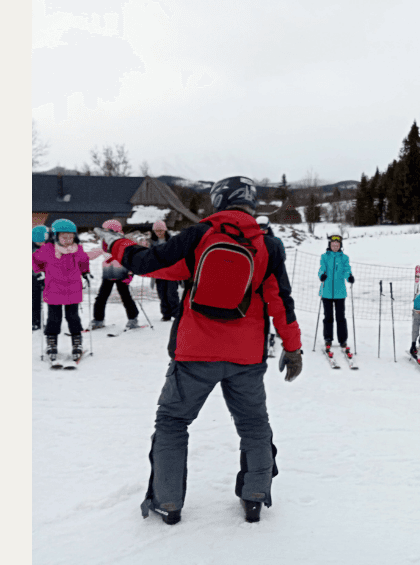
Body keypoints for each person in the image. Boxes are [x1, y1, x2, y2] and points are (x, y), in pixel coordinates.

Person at [97, 175, 303, 525]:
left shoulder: (199, 236)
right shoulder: (269, 246)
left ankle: (168, 501)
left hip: (194, 352)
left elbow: (148, 263)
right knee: (254, 426)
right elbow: (279, 300)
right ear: (251, 204)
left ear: (219, 201)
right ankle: (255, 495)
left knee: (173, 422)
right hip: (246, 355)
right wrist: (293, 348)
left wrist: (116, 244)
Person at [32, 219, 90, 364]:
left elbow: (84, 262)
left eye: (71, 237)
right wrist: (39, 273)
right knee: (53, 319)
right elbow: (33, 259)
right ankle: (52, 343)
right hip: (53, 291)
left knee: (73, 318)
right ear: (55, 236)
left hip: (73, 291)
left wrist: (85, 273)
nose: (68, 240)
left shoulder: (78, 250)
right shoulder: (47, 250)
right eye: (64, 237)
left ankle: (77, 342)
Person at [90, 219, 140, 331]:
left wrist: (130, 275)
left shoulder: (124, 242)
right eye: (103, 229)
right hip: (108, 273)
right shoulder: (104, 242)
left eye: (106, 229)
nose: (104, 231)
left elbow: (130, 259)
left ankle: (133, 318)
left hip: (121, 273)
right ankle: (98, 319)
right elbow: (96, 253)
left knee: (125, 297)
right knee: (101, 297)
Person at [318, 234, 354, 349]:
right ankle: (328, 338)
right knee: (328, 316)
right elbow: (321, 268)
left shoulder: (344, 258)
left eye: (337, 245)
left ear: (340, 246)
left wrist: (349, 277)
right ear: (330, 245)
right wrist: (321, 275)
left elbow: (346, 270)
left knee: (340, 317)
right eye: (333, 245)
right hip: (326, 291)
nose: (335, 246)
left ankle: (343, 340)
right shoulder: (325, 257)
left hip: (340, 293)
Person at [147, 220, 180, 322]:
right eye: (157, 231)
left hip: (171, 271)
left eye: (161, 230)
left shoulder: (172, 241)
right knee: (162, 294)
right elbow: (149, 256)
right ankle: (166, 314)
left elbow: (177, 255)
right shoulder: (152, 243)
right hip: (159, 272)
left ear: (165, 230)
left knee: (171, 293)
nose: (159, 232)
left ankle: (176, 313)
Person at [32, 225, 49, 331]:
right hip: (33, 277)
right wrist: (37, 274)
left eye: (42, 241)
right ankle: (35, 321)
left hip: (47, 275)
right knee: (34, 299)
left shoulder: (48, 246)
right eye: (38, 242)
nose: (41, 243)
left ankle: (52, 321)